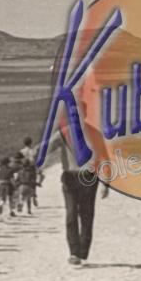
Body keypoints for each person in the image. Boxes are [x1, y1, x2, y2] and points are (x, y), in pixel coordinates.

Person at [42, 101, 109, 266]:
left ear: (84, 115)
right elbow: (46, 148)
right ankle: (74, 253)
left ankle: (83, 251)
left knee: (86, 215)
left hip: (89, 178)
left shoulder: (94, 134)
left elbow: (104, 158)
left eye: (77, 115)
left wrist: (106, 183)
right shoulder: (63, 133)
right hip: (70, 178)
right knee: (71, 214)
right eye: (72, 115)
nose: (75, 118)